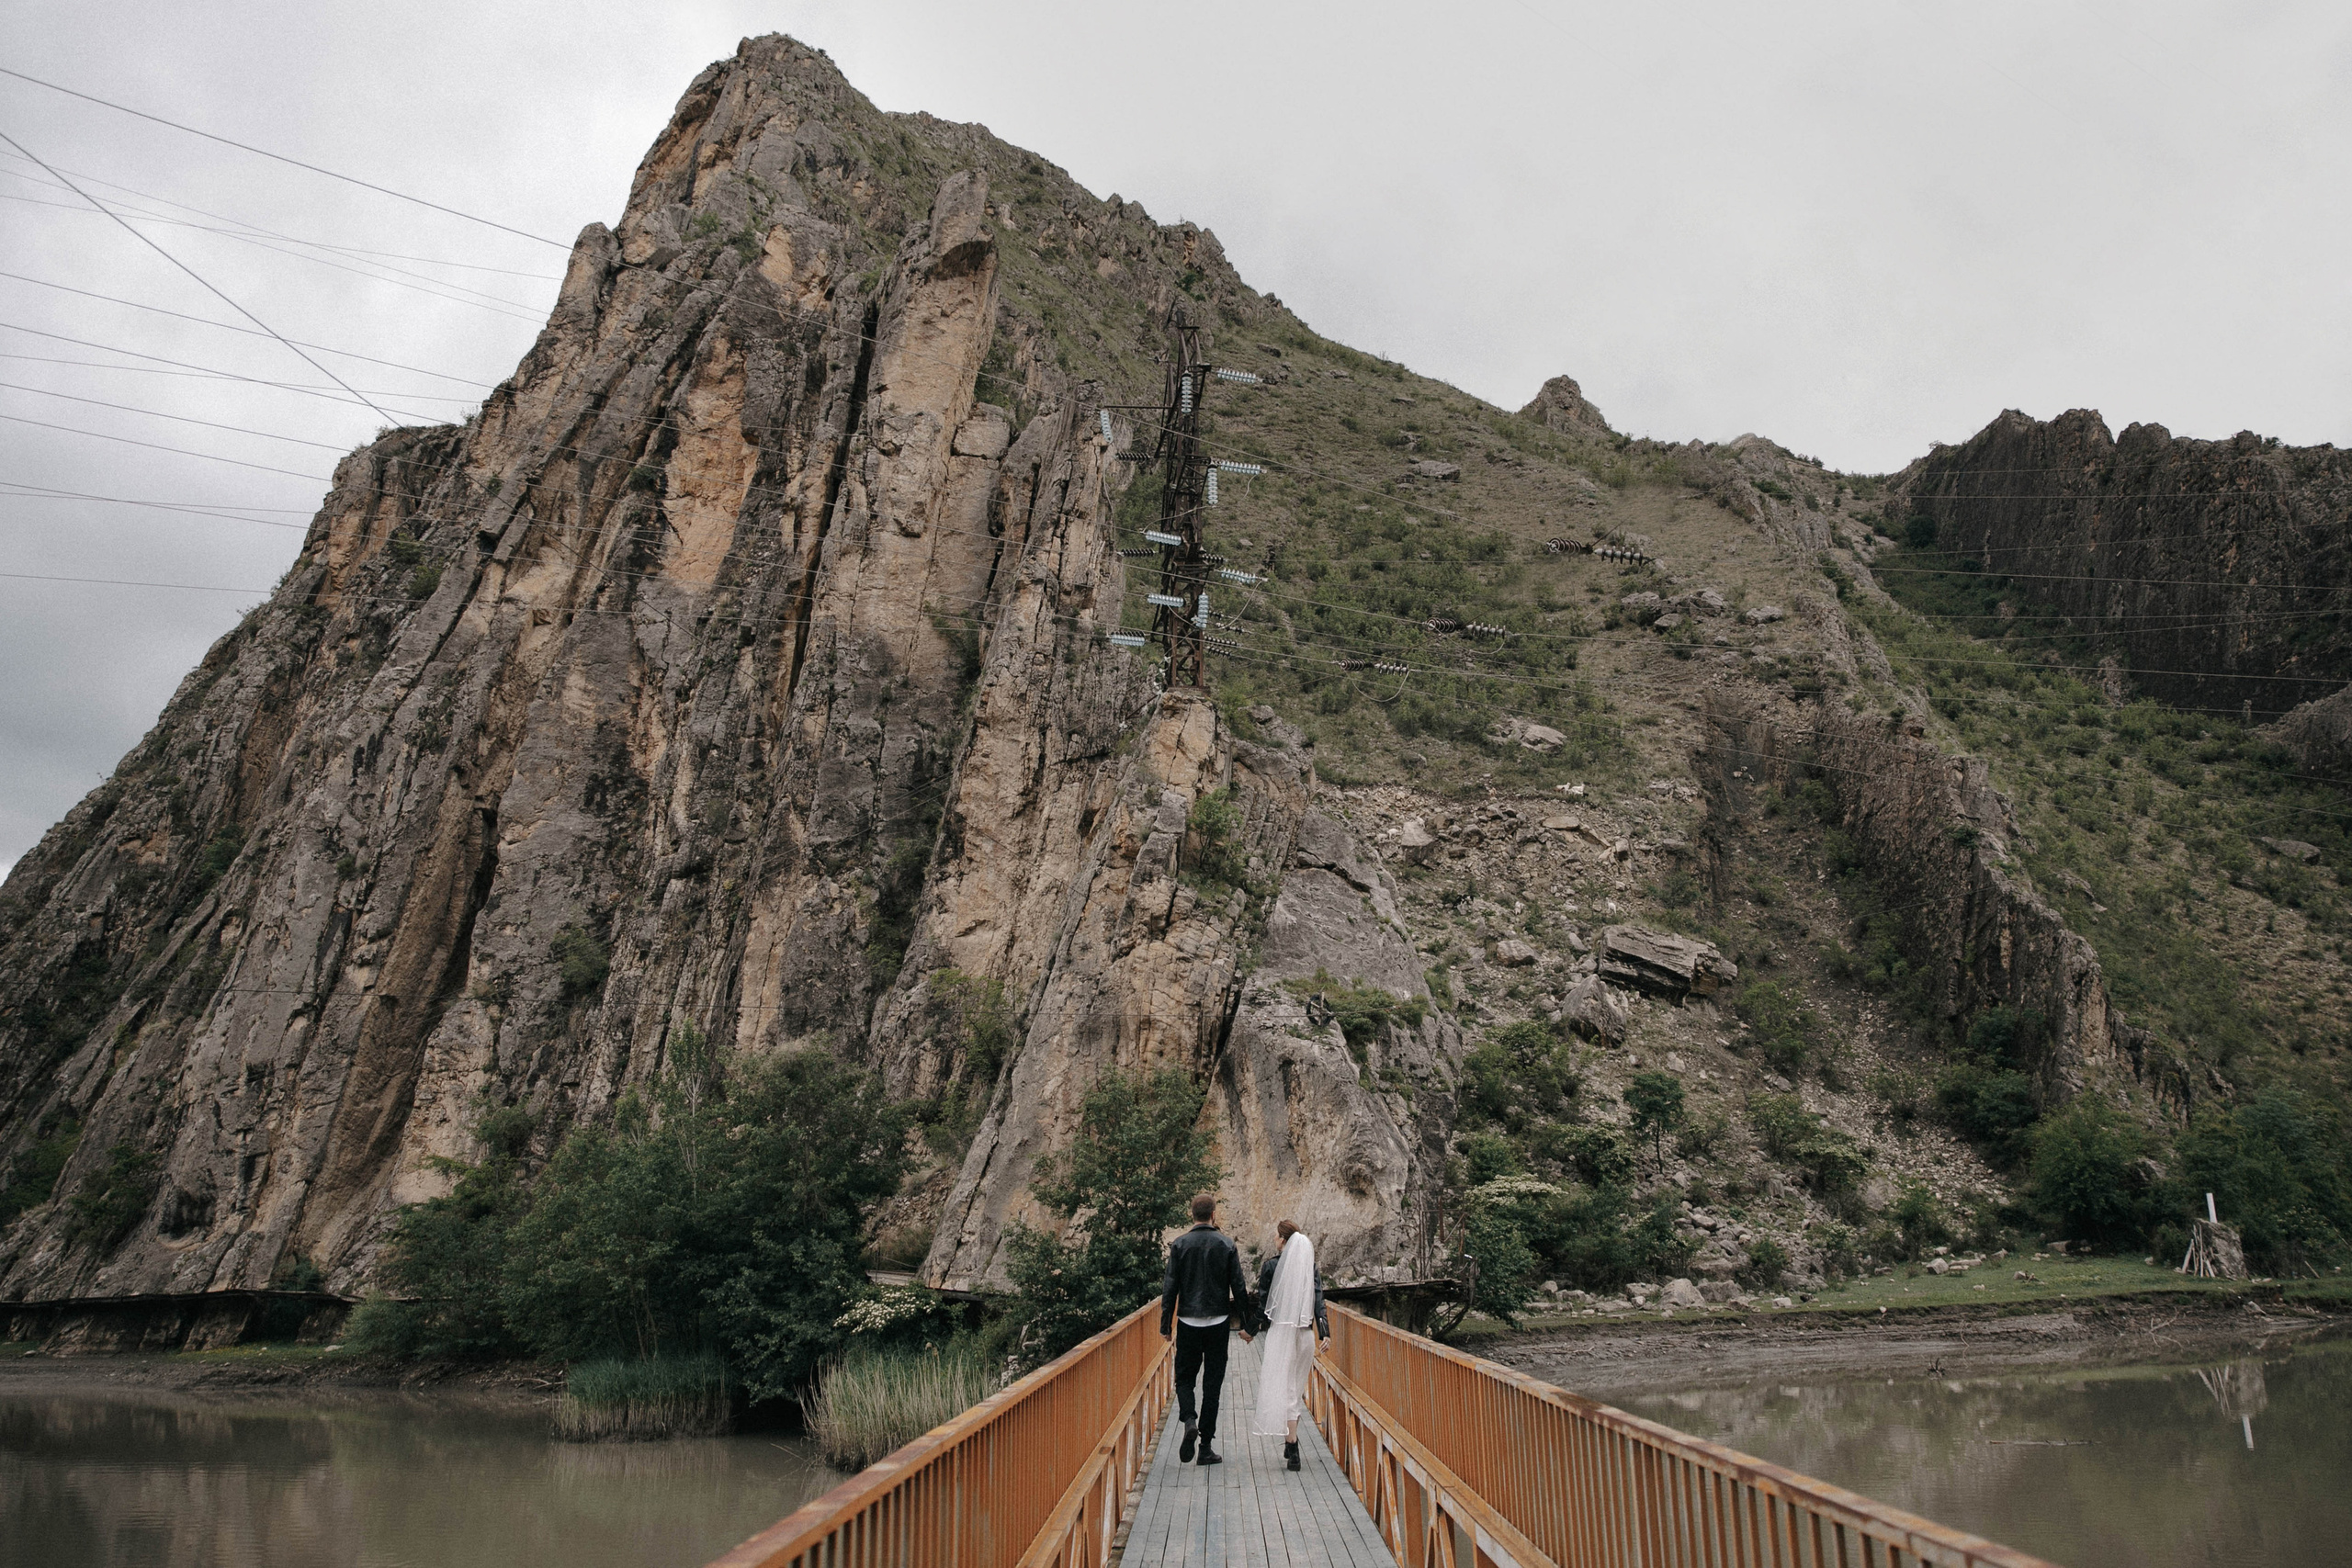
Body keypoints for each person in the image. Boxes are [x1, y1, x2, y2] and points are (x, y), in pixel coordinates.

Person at [1159, 1191, 1251, 1466]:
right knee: (1212, 1386)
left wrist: (1166, 1325)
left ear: (1192, 1214)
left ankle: (1189, 1419)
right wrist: (1248, 1324)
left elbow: (1170, 1289)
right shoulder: (1226, 1244)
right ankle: (1206, 1446)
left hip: (1188, 1322)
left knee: (1184, 1379)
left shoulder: (1179, 1245)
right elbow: (1239, 1286)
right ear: (1214, 1215)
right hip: (1218, 1323)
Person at [1250, 1220, 1329, 1471]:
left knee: (1284, 1388)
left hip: (1281, 1334)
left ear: (1283, 1240)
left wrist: (1249, 1330)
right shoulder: (1309, 1267)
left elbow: (1263, 1306)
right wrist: (1324, 1332)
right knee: (1295, 1389)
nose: (1274, 1240)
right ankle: (1290, 1443)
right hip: (1305, 1335)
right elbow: (1319, 1298)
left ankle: (1292, 1442)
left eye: (1276, 1236)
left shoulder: (1271, 1267)